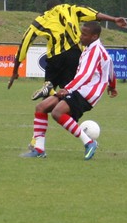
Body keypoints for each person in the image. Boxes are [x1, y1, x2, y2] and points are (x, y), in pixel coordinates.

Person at [21, 21, 116, 160]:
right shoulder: (92, 48)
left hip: (87, 93)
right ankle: (39, 149)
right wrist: (113, 85)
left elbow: (85, 75)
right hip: (79, 89)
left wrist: (67, 89)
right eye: (81, 33)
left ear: (94, 36)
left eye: (84, 34)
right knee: (41, 107)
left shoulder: (95, 51)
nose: (80, 37)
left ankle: (89, 142)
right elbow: (110, 66)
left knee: (57, 113)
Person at [7, 0, 127, 100]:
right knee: (69, 94)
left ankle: (50, 92)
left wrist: (15, 71)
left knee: (47, 100)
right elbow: (92, 14)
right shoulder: (70, 9)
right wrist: (114, 19)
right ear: (60, 5)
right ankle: (62, 106)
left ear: (47, 10)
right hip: (74, 55)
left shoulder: (41, 20)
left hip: (55, 58)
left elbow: (25, 43)